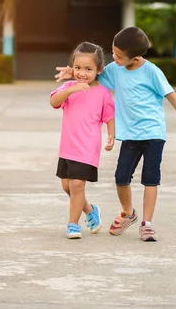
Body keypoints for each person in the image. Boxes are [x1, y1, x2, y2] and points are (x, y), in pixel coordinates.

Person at [55, 27, 176, 242]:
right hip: (130, 134)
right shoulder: (115, 69)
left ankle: (147, 224)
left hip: (153, 133)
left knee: (151, 179)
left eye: (119, 56)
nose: (114, 58)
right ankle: (128, 213)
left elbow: (172, 97)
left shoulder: (152, 72)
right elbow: (91, 73)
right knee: (121, 178)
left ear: (136, 57)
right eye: (113, 53)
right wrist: (73, 75)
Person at [50, 42, 115, 239]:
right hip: (68, 147)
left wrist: (111, 134)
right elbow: (54, 101)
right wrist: (71, 89)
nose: (82, 73)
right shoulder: (69, 87)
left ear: (99, 70)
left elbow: (109, 116)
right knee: (67, 186)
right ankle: (90, 210)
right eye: (78, 68)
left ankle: (73, 224)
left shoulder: (103, 93)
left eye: (88, 69)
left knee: (78, 185)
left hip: (87, 148)